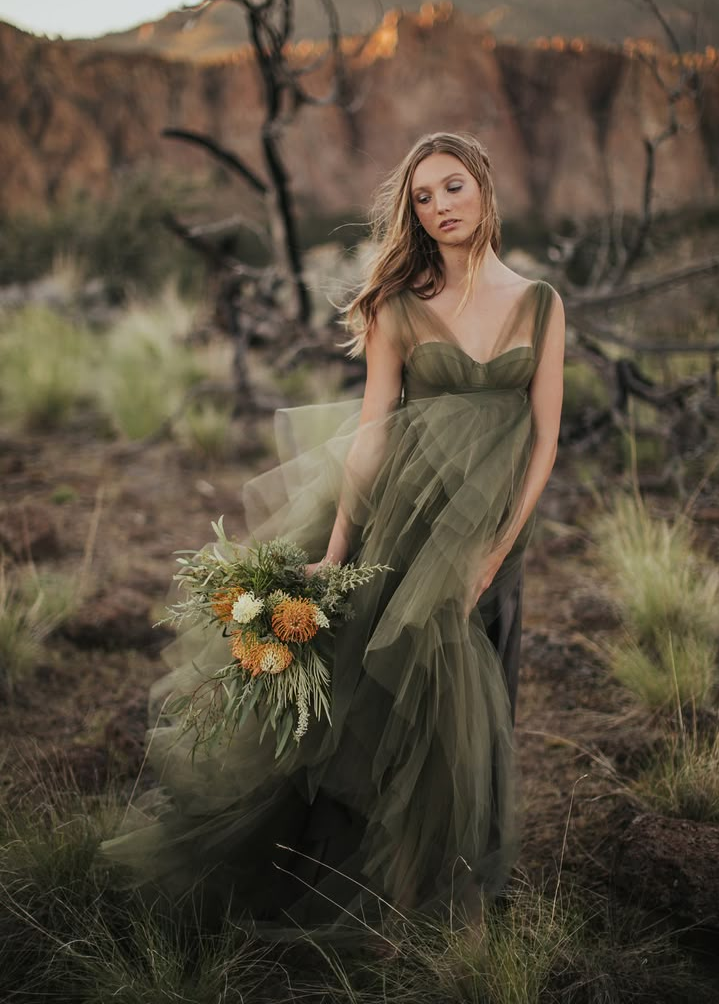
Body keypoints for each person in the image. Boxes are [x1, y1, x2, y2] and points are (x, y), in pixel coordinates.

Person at [100, 131, 565, 948]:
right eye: (422, 198)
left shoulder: (540, 303)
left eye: (452, 187)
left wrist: (494, 555)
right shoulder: (399, 304)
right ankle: (390, 883)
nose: (440, 207)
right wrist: (339, 543)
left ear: (484, 187)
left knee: (484, 682)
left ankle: (462, 876)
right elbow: (374, 433)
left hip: (494, 528)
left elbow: (546, 437)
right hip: (405, 518)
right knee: (399, 693)